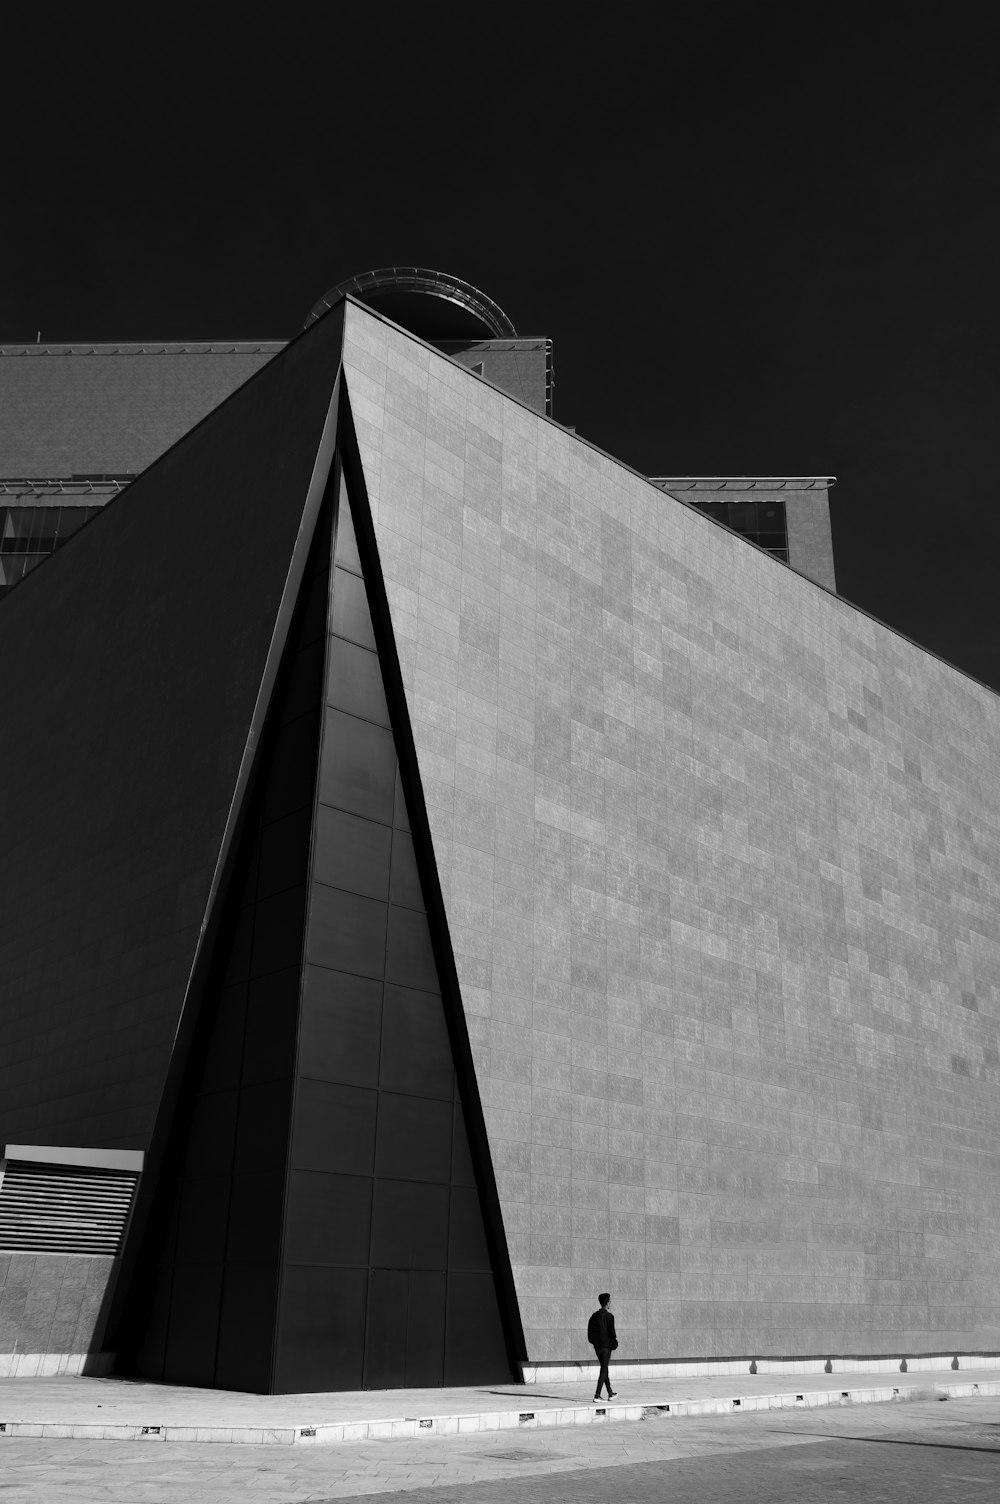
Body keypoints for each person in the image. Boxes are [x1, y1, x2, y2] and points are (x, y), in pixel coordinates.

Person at [587, 1291, 618, 1400]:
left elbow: (589, 1332)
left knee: (604, 1368)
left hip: (597, 1347)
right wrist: (613, 1343)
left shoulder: (594, 1316)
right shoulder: (610, 1317)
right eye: (610, 1301)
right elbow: (612, 1333)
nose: (611, 1303)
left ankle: (610, 1393)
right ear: (607, 1303)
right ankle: (597, 1395)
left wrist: (594, 1342)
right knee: (603, 1369)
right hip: (606, 1347)